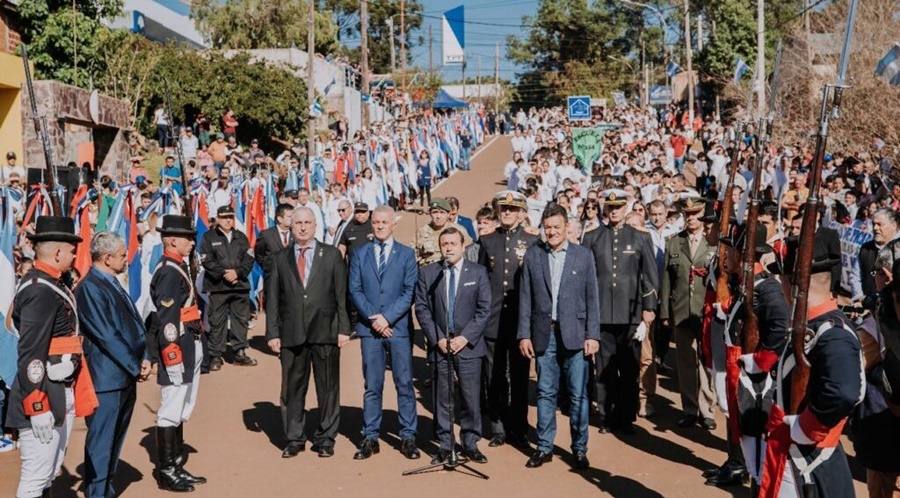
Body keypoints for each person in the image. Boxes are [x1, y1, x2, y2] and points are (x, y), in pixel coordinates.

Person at [759, 229, 863, 498]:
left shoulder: (833, 334)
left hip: (812, 463)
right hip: (794, 458)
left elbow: (843, 391)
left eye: (782, 279)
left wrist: (804, 428)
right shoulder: (811, 327)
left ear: (794, 285)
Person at [8, 216, 97, 498]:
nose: (74, 256)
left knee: (50, 471)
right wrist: (37, 404)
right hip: (44, 392)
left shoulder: (51, 282)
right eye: (72, 251)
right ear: (57, 252)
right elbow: (31, 352)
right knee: (35, 477)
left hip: (61, 388)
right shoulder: (39, 289)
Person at [518, 203, 600, 470]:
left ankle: (579, 449)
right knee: (545, 393)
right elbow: (525, 298)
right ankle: (544, 447)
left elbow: (592, 298)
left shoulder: (583, 256)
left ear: (567, 228)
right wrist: (524, 335)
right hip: (544, 334)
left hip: (576, 336)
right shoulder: (533, 256)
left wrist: (593, 335)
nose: (552, 232)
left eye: (557, 227)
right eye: (548, 227)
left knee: (578, 395)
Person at [265, 207, 351, 459]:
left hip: (325, 331)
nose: (303, 227)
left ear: (316, 225)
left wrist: (344, 329)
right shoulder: (279, 258)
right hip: (291, 333)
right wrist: (272, 333)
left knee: (328, 388)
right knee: (292, 389)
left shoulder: (332, 255)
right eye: (298, 223)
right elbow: (272, 300)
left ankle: (325, 438)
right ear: (291, 227)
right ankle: (294, 438)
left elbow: (341, 296)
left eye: (307, 222)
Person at [75, 232, 150, 498]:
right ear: (107, 258)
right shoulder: (89, 288)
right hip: (107, 378)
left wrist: (143, 358)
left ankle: (105, 489)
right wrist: (135, 364)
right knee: (102, 441)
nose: (126, 259)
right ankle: (97, 492)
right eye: (121, 255)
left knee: (115, 439)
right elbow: (107, 335)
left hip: (124, 374)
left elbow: (132, 325)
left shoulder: (111, 282)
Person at [415, 227, 492, 465]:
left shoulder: (478, 272)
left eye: (452, 243)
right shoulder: (429, 273)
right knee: (442, 398)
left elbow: (484, 309)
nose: (448, 248)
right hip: (441, 345)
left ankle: (470, 442)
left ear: (462, 245)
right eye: (444, 244)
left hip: (467, 346)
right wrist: (437, 337)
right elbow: (422, 308)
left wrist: (465, 337)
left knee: (470, 397)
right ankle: (446, 446)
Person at [349, 206, 420, 460]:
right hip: (370, 330)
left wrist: (387, 317)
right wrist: (374, 319)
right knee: (373, 385)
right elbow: (355, 290)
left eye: (384, 222)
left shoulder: (407, 255)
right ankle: (370, 436)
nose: (379, 226)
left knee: (404, 383)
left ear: (393, 224)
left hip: (398, 328)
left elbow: (409, 291)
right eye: (376, 222)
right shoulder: (360, 254)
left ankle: (409, 436)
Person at [586, 189, 659, 435]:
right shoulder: (592, 237)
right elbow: (587, 278)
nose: (614, 210)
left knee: (629, 367)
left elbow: (649, 275)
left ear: (626, 207)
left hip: (630, 313)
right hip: (602, 313)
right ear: (604, 208)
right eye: (610, 206)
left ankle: (626, 417)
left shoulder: (640, 237)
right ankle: (606, 416)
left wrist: (649, 307)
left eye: (618, 206)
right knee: (604, 367)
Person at [477, 191, 538, 448]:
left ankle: (519, 427)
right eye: (503, 209)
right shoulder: (488, 240)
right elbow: (481, 280)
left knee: (520, 377)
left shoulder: (533, 242)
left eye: (512, 209)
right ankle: (498, 426)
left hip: (519, 320)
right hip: (492, 319)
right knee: (495, 377)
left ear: (522, 212)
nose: (507, 213)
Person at [150, 215, 207, 492]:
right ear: (173, 240)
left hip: (190, 340)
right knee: (170, 409)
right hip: (178, 344)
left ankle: (177, 463)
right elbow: (167, 320)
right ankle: (167, 470)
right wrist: (171, 356)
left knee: (183, 407)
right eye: (187, 237)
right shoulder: (168, 271)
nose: (192, 242)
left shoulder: (178, 266)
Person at [660, 196, 718, 430]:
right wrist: (665, 312)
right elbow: (666, 280)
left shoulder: (713, 243)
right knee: (685, 361)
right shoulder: (674, 242)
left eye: (695, 214)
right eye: (688, 214)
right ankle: (689, 408)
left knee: (706, 361)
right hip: (682, 309)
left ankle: (707, 409)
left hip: (707, 311)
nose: (691, 218)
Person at [200, 206, 257, 371]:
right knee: (217, 321)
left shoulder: (240, 237)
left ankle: (239, 352)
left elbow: (249, 257)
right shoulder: (208, 237)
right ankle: (215, 356)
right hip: (218, 286)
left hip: (239, 286)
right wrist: (224, 274)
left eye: (230, 217)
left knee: (241, 320)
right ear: (217, 218)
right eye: (224, 217)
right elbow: (206, 259)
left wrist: (237, 273)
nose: (227, 220)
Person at [415, 198, 471, 266]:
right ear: (430, 213)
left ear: (448, 214)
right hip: (428, 272)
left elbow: (470, 252)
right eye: (435, 212)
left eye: (442, 212)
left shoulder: (459, 230)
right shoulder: (422, 232)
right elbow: (413, 254)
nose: (438, 216)